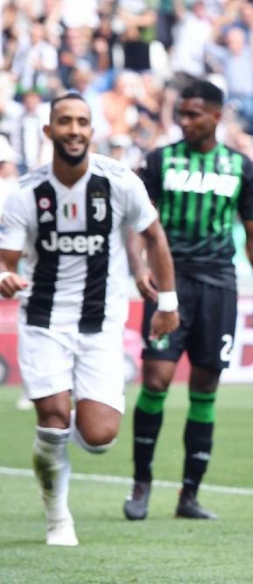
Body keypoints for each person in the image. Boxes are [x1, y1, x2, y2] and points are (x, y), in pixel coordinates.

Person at [0, 93, 179, 545]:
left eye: (82, 122)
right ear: (49, 131)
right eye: (65, 122)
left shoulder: (120, 182)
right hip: (44, 320)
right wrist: (4, 277)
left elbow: (155, 237)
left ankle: (69, 430)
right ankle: (58, 517)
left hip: (101, 322)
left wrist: (168, 303)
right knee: (53, 421)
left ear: (91, 131)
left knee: (99, 437)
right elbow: (6, 261)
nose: (74, 130)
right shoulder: (25, 193)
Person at [123, 80, 253, 521]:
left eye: (194, 114)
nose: (185, 122)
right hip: (169, 284)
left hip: (218, 287)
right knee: (156, 381)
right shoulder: (159, 160)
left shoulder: (241, 167)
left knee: (205, 389)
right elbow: (135, 222)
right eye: (181, 114)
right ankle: (141, 483)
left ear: (216, 116)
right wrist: (138, 266)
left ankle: (189, 495)